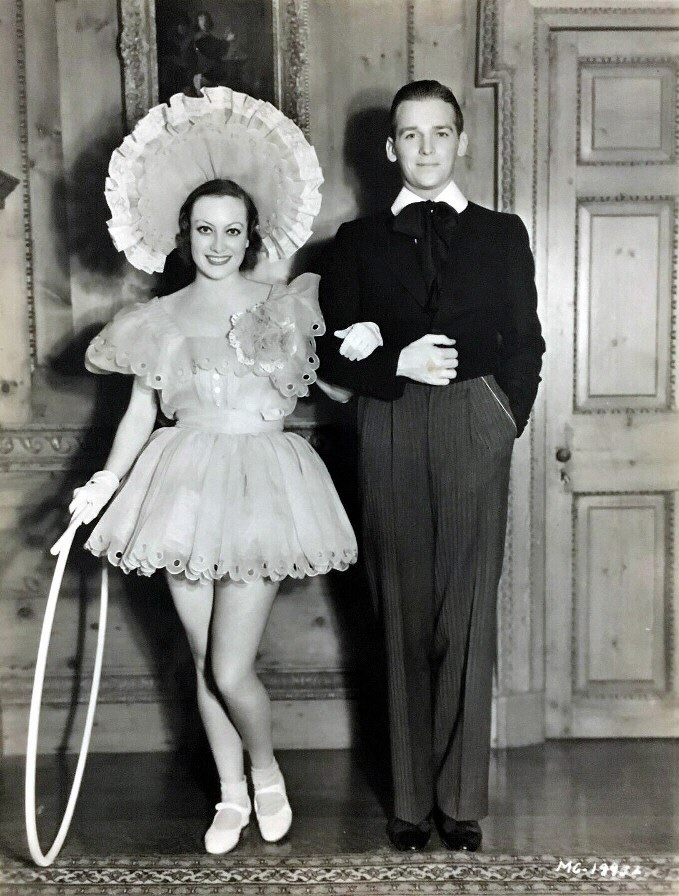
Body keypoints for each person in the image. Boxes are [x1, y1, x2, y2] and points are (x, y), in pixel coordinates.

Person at [67, 88, 356, 855]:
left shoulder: (287, 304)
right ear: (183, 234)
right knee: (200, 660)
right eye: (203, 230)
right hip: (183, 483)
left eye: (231, 230)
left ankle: (266, 771)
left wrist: (362, 353)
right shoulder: (157, 319)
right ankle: (229, 793)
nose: (217, 243)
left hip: (263, 483)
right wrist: (103, 484)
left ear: (250, 234)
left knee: (231, 666)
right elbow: (139, 413)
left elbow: (332, 385)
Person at [316, 79, 545, 852]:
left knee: (466, 616)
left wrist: (503, 418)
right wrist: (394, 367)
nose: (424, 148)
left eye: (438, 133)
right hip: (387, 426)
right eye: (408, 136)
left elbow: (528, 340)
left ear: (460, 141)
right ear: (388, 149)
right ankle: (410, 804)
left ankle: (461, 801)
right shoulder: (354, 243)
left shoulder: (502, 233)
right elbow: (326, 347)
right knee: (402, 616)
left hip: (477, 423)